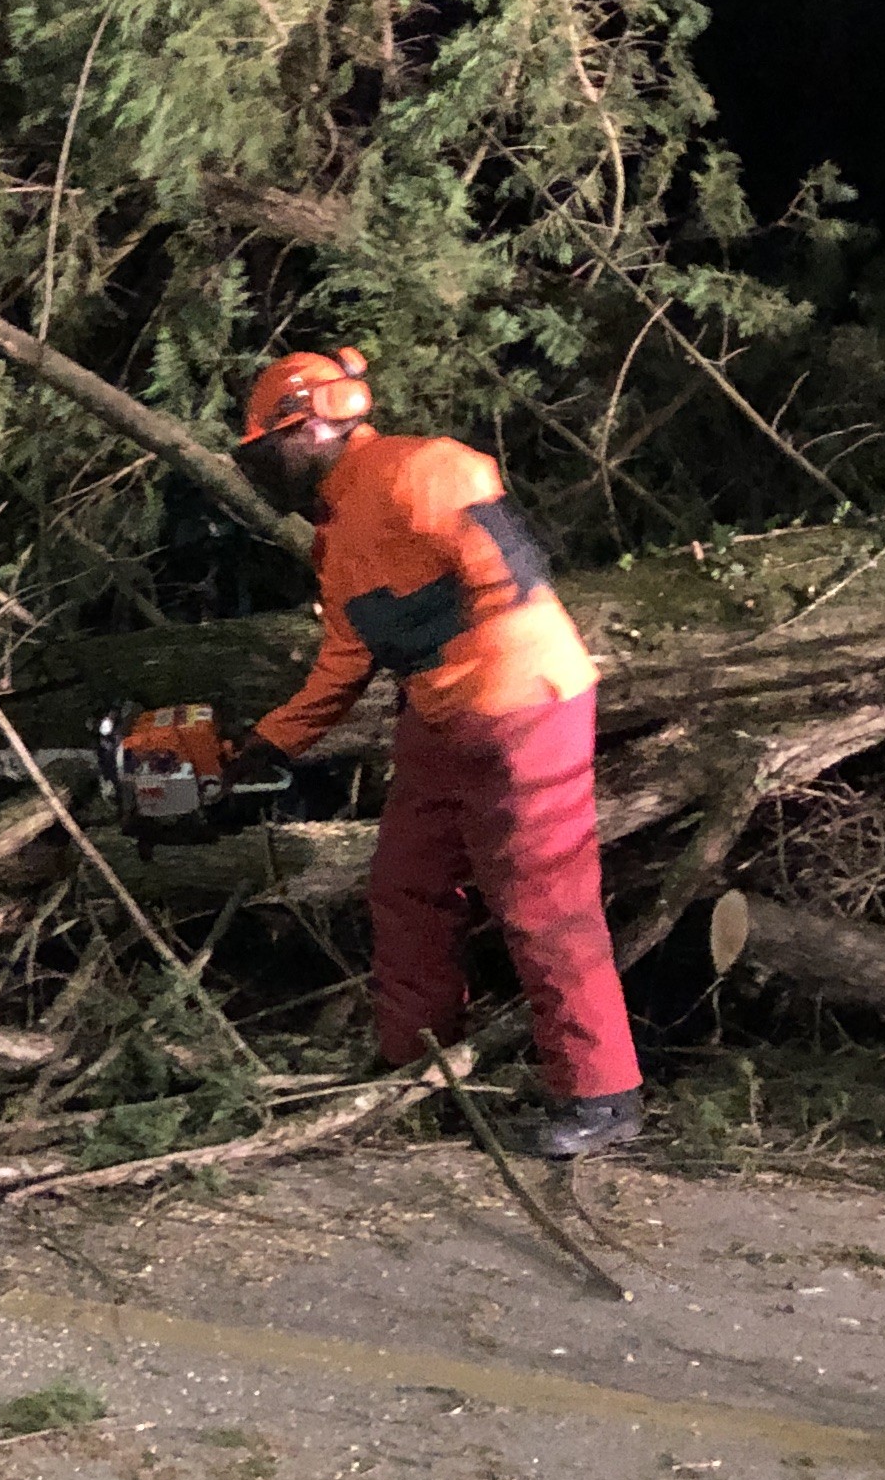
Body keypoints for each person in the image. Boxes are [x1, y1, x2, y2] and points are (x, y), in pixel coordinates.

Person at [224, 350, 644, 1157]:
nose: (267, 464)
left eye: (273, 443)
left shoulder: (417, 466)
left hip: (523, 703)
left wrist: (485, 614)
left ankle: (603, 1094)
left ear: (313, 423)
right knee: (407, 883)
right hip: (439, 707)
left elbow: (491, 539)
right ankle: (413, 1063)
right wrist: (264, 745)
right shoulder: (339, 532)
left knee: (543, 904)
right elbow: (344, 660)